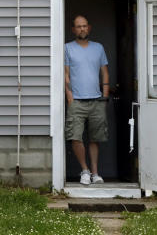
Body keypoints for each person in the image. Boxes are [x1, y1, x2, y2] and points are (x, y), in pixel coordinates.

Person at [64, 14, 109, 185]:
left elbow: (104, 72)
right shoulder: (68, 48)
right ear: (73, 29)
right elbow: (66, 74)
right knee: (75, 136)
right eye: (78, 26)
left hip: (97, 100)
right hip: (76, 101)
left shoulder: (98, 48)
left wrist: (104, 97)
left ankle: (95, 173)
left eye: (84, 26)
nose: (81, 29)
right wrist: (69, 95)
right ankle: (85, 170)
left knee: (95, 138)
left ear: (88, 27)